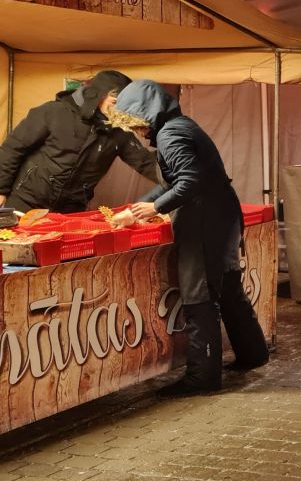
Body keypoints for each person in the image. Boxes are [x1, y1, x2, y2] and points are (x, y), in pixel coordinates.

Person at [111, 80, 268, 396]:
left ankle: (202, 378)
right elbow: (178, 180)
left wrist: (153, 207)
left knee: (199, 298)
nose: (137, 133)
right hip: (220, 214)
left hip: (204, 222)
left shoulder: (170, 135)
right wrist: (143, 206)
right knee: (228, 288)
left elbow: (189, 182)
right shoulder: (181, 125)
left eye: (136, 125)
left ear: (145, 115)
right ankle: (254, 354)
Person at [0, 70, 159, 213]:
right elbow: (13, 149)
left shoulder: (119, 132)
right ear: (99, 95)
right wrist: (1, 190)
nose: (120, 110)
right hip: (25, 204)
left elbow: (146, 163)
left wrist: (179, 175)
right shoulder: (52, 112)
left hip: (70, 212)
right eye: (115, 102)